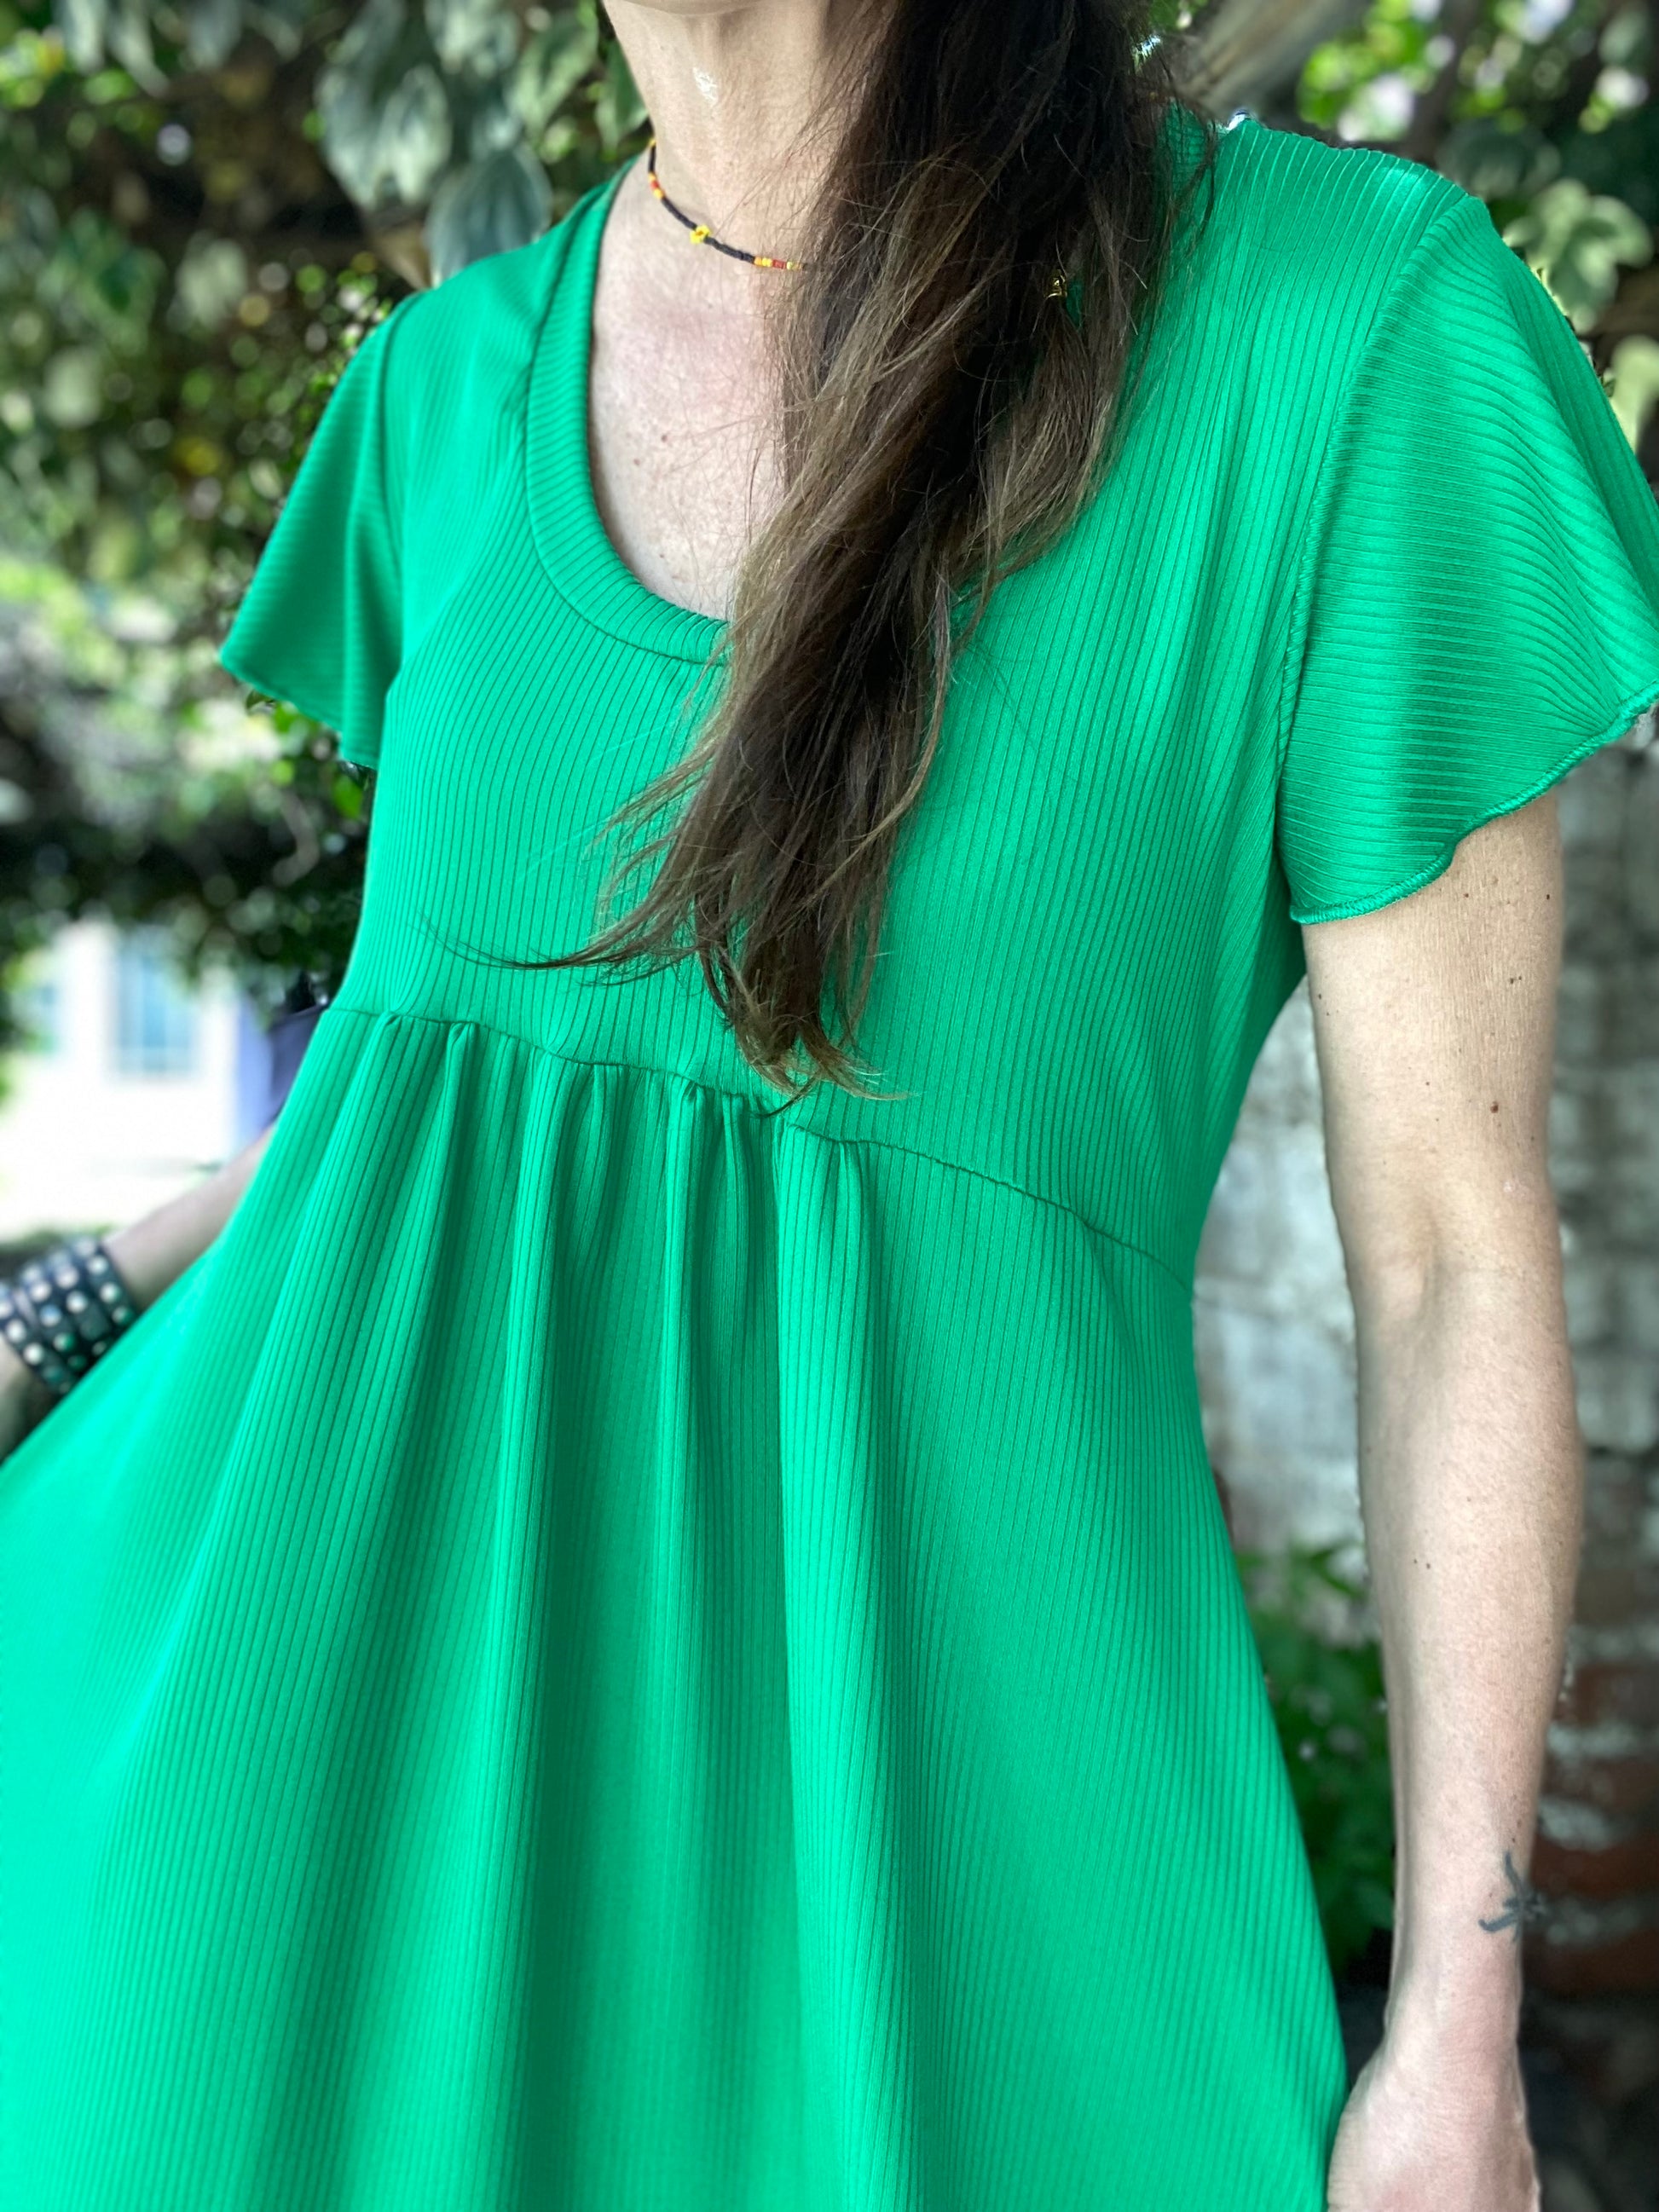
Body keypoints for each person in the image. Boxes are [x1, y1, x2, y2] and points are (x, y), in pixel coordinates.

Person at [3, 0, 1657, 2204]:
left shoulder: (1340, 340)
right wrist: (55, 1315)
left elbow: (1449, 1256)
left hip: (958, 1898)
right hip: (307, 1845)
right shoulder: (443, 396)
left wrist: (1458, 2028)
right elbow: (435, 1140)